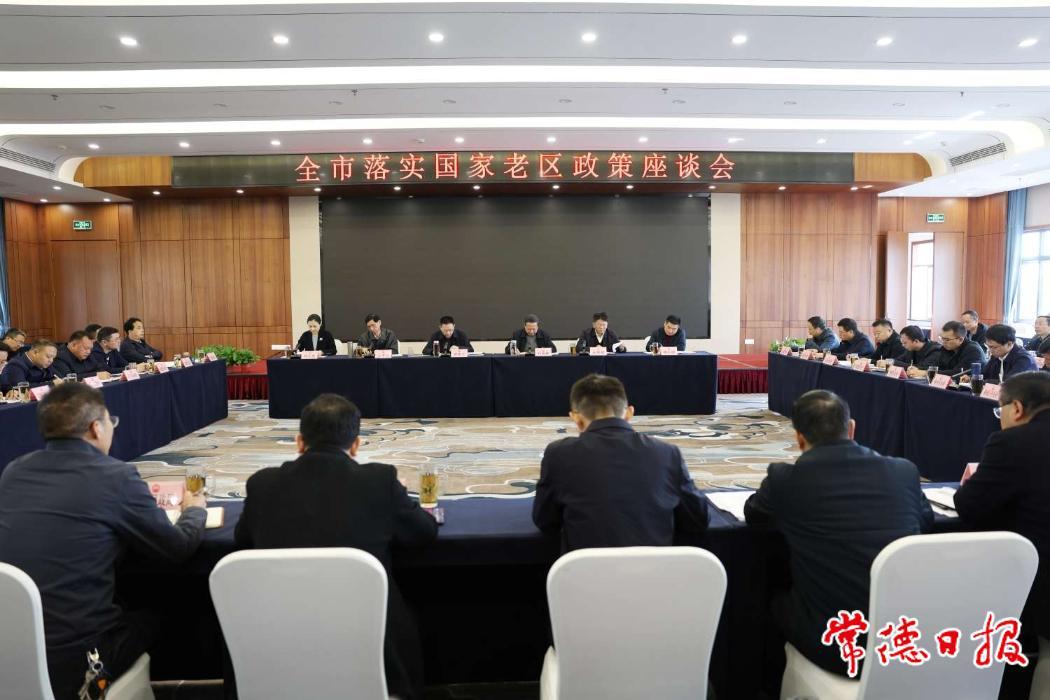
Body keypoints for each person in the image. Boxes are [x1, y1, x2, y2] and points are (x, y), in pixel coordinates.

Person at [0, 383, 206, 699]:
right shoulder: (115, 476)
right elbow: (177, 547)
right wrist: (194, 510)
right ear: (97, 428)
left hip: (11, 647)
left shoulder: (14, 472)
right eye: (112, 422)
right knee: (171, 604)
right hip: (79, 659)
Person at [235, 393, 437, 700]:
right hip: (370, 643)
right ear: (355, 445)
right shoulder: (380, 481)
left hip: (276, 639)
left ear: (299, 442)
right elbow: (424, 533)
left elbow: (241, 541)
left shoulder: (261, 485)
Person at [744, 390, 932, 677]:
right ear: (852, 428)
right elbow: (925, 521)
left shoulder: (786, 479)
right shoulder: (903, 471)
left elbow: (755, 516)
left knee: (764, 592)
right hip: (906, 635)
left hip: (836, 645)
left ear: (799, 438)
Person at [532, 374, 709, 551]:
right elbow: (698, 519)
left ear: (576, 418)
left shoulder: (559, 454)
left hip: (585, 568)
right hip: (653, 568)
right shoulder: (667, 453)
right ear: (629, 413)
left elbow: (545, 522)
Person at [955, 372, 1050, 646]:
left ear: (1017, 408)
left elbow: (969, 506)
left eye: (1000, 410)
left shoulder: (1014, 442)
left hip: (1037, 576)